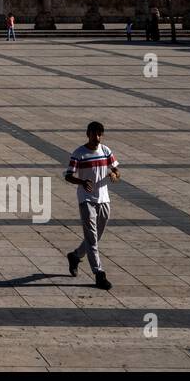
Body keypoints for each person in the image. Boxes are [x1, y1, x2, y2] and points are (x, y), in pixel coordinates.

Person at [64, 121, 121, 290]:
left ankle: (75, 256)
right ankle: (99, 273)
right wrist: (81, 181)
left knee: (95, 237)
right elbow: (68, 175)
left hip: (104, 199)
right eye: (93, 134)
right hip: (86, 199)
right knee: (91, 237)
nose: (96, 138)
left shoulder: (106, 151)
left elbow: (117, 171)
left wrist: (114, 175)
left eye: (99, 134)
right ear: (87, 134)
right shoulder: (79, 153)